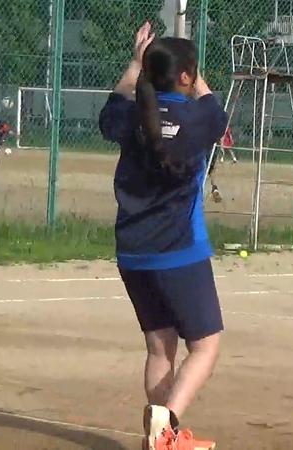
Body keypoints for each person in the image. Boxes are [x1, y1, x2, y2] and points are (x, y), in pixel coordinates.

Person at [99, 22, 227, 450]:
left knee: (160, 350)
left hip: (133, 253)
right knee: (205, 347)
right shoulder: (198, 118)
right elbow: (213, 108)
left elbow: (112, 109)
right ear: (186, 76)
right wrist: (193, 77)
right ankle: (166, 425)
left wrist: (136, 64)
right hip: (179, 253)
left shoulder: (132, 116)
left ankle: (160, 441)